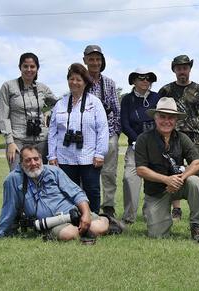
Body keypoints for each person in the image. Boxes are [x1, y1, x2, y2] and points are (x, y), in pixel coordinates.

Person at [0, 145, 123, 241]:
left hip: (73, 213)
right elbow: (9, 208)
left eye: (36, 159)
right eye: (28, 160)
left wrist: (86, 214)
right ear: (21, 163)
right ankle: (79, 231)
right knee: (68, 234)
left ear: (41, 159)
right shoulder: (12, 180)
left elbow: (77, 193)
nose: (33, 163)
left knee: (97, 227)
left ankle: (105, 219)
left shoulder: (54, 171)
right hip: (49, 222)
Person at [135, 97, 199, 243]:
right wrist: (166, 179)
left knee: (194, 181)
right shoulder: (143, 139)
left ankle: (197, 226)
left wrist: (181, 178)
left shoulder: (182, 138)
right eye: (162, 117)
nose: (166, 121)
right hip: (156, 191)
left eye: (171, 118)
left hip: (178, 186)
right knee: (157, 234)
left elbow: (198, 162)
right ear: (155, 118)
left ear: (176, 120)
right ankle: (154, 212)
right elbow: (141, 170)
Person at [158, 55, 199, 221]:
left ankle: (197, 209)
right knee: (173, 169)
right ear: (174, 70)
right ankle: (176, 209)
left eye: (185, 67)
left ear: (190, 69)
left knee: (197, 171)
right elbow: (159, 115)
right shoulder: (166, 90)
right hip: (172, 136)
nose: (182, 71)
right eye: (179, 68)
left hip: (194, 137)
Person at [48, 63, 109, 214]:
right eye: (71, 79)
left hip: (89, 156)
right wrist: (52, 155)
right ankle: (73, 219)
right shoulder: (60, 103)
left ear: (85, 82)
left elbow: (102, 129)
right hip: (65, 156)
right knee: (68, 190)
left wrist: (100, 153)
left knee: (92, 190)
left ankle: (94, 219)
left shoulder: (94, 103)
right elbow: (53, 131)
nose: (74, 82)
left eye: (78, 80)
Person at [0, 52, 58, 171]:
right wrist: (10, 142)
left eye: (32, 66)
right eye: (25, 66)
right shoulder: (8, 86)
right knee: (17, 176)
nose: (29, 69)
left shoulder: (42, 88)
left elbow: (59, 104)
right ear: (20, 67)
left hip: (41, 139)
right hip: (17, 140)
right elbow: (3, 116)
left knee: (42, 176)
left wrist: (49, 113)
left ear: (37, 68)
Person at [83, 45, 121, 218]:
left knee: (109, 173)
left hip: (110, 132)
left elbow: (116, 110)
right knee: (88, 172)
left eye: (98, 59)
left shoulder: (109, 83)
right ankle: (88, 206)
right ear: (85, 60)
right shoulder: (80, 81)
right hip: (87, 135)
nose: (95, 62)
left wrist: (116, 132)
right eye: (91, 59)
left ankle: (109, 206)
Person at [120, 68, 160, 224]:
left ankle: (151, 213)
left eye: (148, 78)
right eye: (141, 78)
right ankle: (129, 216)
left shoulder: (157, 97)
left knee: (155, 180)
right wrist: (138, 140)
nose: (145, 81)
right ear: (134, 81)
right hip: (135, 145)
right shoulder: (127, 100)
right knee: (129, 178)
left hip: (156, 145)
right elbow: (124, 123)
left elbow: (162, 121)